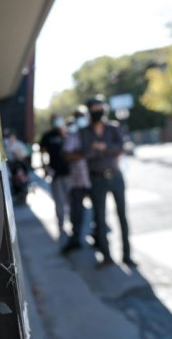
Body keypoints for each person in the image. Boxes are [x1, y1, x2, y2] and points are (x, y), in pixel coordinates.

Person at [76, 96, 134, 268]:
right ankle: (106, 256)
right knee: (99, 218)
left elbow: (120, 148)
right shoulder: (84, 132)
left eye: (99, 108)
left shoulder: (113, 127)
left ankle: (127, 255)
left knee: (122, 216)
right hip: (97, 177)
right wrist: (106, 150)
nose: (97, 111)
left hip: (115, 176)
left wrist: (101, 148)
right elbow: (85, 153)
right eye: (93, 109)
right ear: (88, 112)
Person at [61, 107, 92, 253]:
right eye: (78, 116)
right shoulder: (72, 135)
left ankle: (99, 237)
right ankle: (76, 239)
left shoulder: (92, 133)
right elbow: (68, 154)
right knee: (76, 211)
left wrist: (83, 153)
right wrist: (85, 153)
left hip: (93, 177)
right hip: (77, 180)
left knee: (98, 210)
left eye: (83, 116)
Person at [40, 115, 71, 239]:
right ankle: (61, 224)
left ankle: (74, 223)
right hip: (56, 174)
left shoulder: (67, 133)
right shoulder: (47, 136)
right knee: (59, 201)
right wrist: (45, 168)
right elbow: (42, 152)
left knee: (71, 200)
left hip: (70, 173)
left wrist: (64, 134)